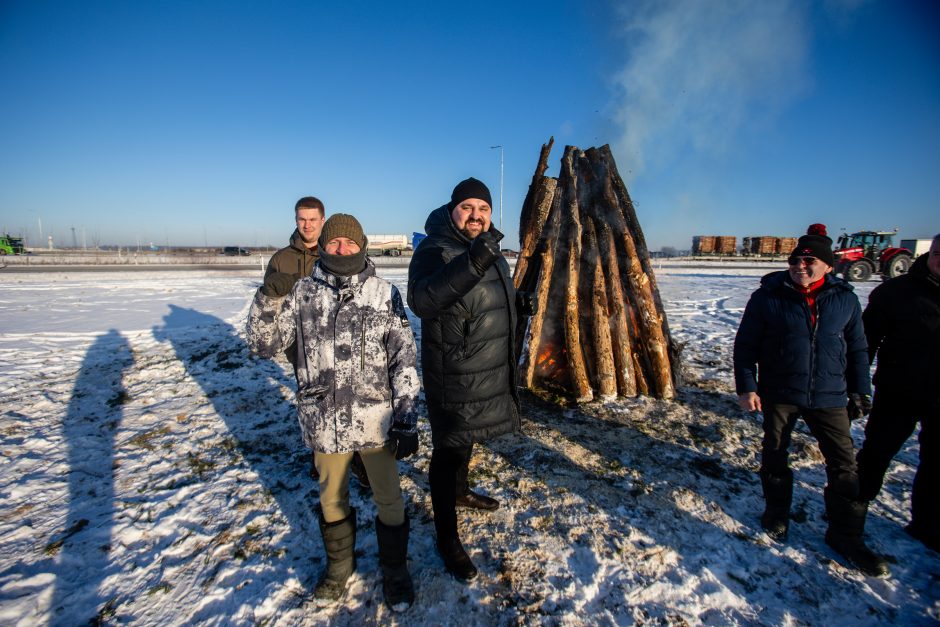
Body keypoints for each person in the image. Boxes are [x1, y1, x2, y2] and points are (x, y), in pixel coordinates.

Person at [247, 214, 421, 610]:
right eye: (334, 242)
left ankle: (394, 570)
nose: (342, 249)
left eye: (350, 242)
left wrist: (407, 417)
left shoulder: (383, 293)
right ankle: (339, 568)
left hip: (375, 421)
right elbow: (263, 344)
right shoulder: (302, 292)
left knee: (389, 499)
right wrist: (268, 299)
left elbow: (404, 359)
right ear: (322, 246)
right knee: (331, 499)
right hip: (324, 420)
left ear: (362, 245)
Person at [733, 230, 888, 576]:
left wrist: (860, 390)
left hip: (829, 394)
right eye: (794, 260)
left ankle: (846, 535)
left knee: (844, 465)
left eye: (808, 261)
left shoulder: (844, 299)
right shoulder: (768, 297)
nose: (799, 266)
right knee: (774, 453)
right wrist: (747, 387)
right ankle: (776, 513)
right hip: (781, 391)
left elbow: (859, 349)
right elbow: (746, 345)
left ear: (827, 266)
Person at [408, 177, 531, 583]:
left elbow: (485, 300)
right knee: (448, 449)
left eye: (483, 209)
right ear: (453, 210)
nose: (476, 216)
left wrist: (518, 305)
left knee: (468, 438)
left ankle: (461, 491)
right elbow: (424, 301)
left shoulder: (492, 250)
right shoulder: (434, 249)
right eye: (468, 208)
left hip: (485, 366)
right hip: (452, 369)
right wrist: (474, 261)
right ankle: (447, 538)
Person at [265, 197, 369, 487]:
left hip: (342, 343)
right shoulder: (280, 260)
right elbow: (271, 305)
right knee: (315, 400)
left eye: (313, 220)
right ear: (296, 220)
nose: (307, 225)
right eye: (302, 219)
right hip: (301, 347)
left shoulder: (334, 251)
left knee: (351, 398)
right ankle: (320, 454)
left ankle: (358, 457)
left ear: (322, 221)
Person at [856, 234, 940, 552]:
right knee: (877, 452)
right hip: (898, 391)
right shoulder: (896, 292)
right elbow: (865, 343)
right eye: (937, 254)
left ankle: (928, 525)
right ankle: (854, 509)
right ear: (929, 254)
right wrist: (857, 386)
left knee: (935, 464)